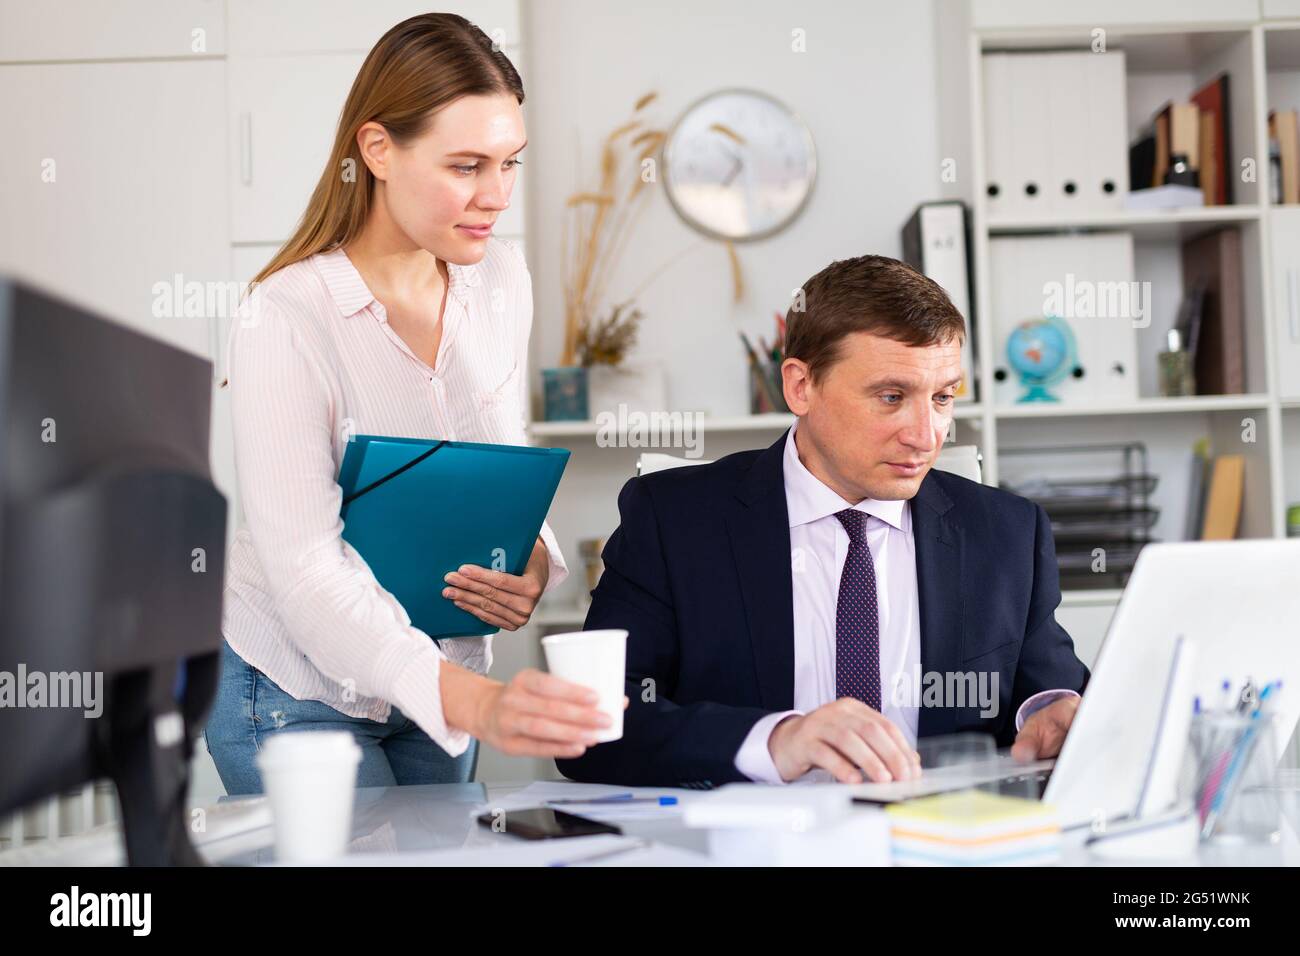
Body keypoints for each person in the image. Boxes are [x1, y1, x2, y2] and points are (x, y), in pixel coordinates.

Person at [205, 13, 611, 795]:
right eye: (466, 165)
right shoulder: (285, 316)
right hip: (299, 685)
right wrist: (478, 704)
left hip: (442, 674)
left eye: (510, 163)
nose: (496, 195)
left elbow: (497, 450)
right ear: (378, 149)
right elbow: (305, 569)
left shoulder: (501, 280)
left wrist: (527, 559)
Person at [558, 255, 1089, 788]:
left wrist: (1053, 712)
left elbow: (1051, 691)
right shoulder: (673, 520)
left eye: (943, 398)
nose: (928, 435)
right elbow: (588, 731)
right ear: (800, 387)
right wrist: (774, 739)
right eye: (891, 397)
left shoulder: (1007, 532)